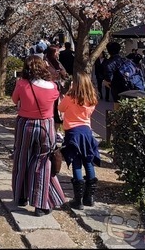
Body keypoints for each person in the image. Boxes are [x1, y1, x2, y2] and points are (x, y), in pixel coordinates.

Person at [11, 55, 66, 217]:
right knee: (43, 162)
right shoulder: (53, 87)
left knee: (22, 158)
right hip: (46, 126)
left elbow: (15, 100)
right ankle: (41, 204)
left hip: (25, 124)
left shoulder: (21, 84)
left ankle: (21, 196)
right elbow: (55, 102)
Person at [59, 72, 101, 210]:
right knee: (88, 161)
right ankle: (90, 197)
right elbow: (89, 113)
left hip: (73, 132)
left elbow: (60, 108)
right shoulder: (92, 98)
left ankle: (78, 200)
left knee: (76, 162)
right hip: (87, 132)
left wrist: (69, 91)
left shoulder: (71, 97)